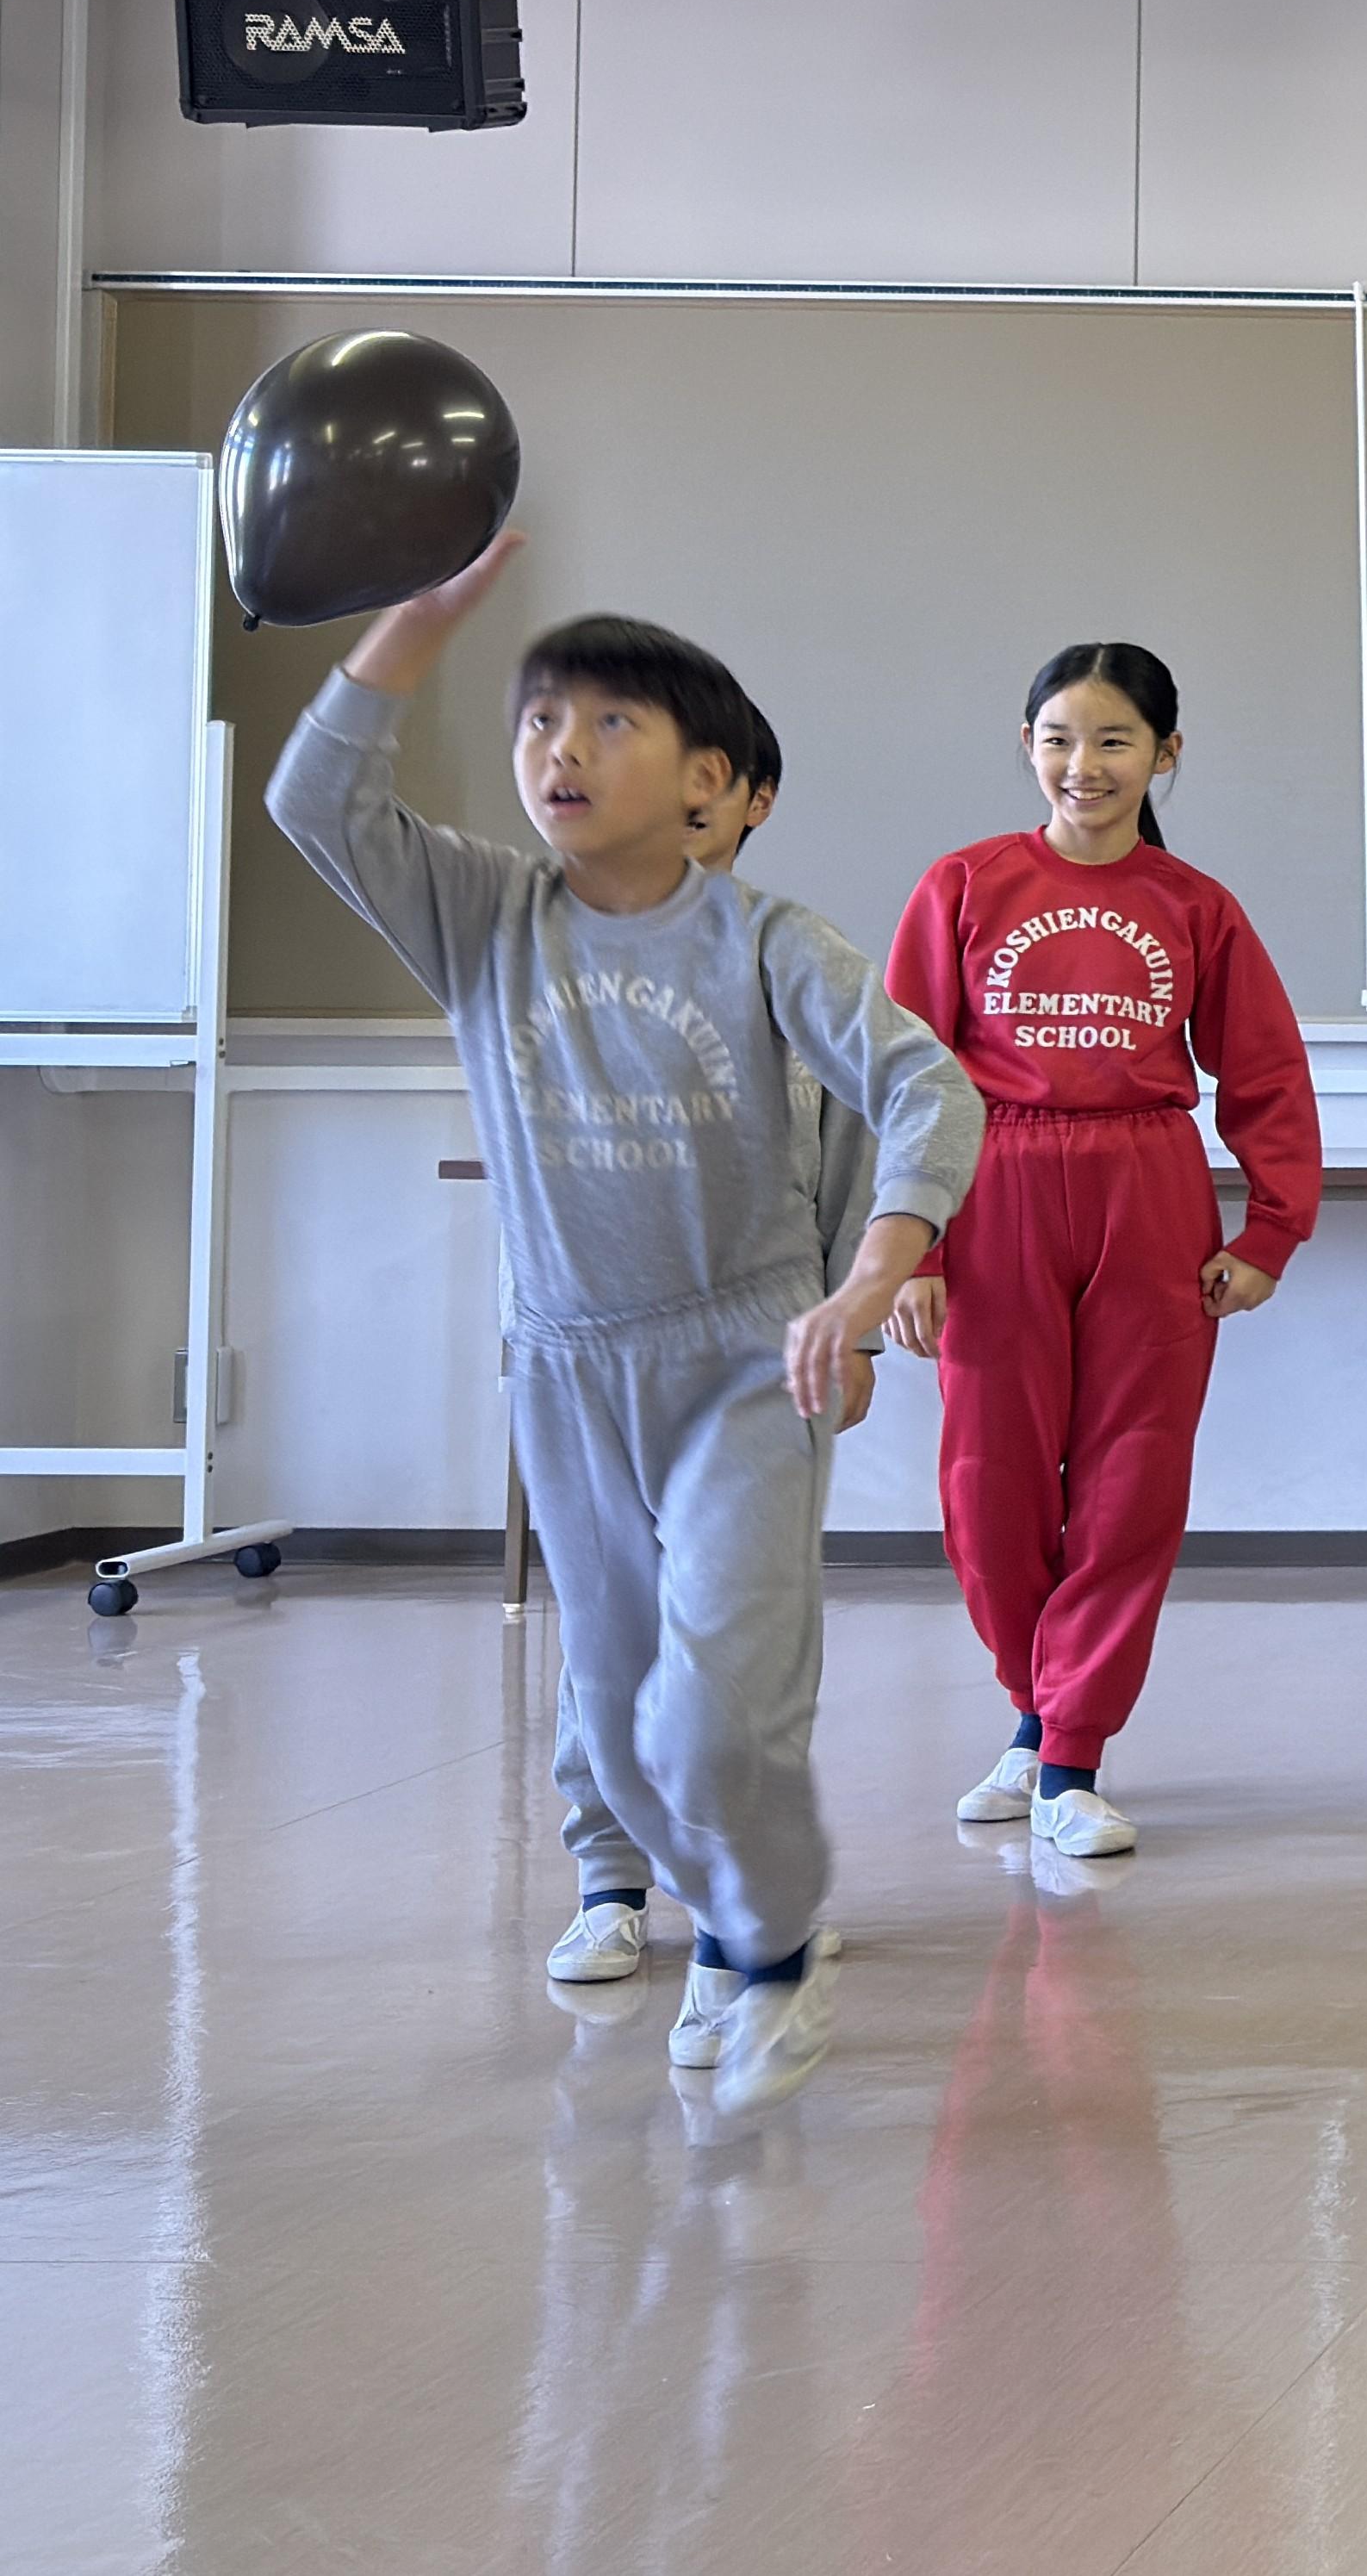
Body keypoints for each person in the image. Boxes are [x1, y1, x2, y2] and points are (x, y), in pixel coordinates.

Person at [270, 533, 975, 2119]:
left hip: (748, 1362)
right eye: (538, 720)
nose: (561, 750)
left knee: (716, 1710)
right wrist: (422, 620)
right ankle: (713, 1916)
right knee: (618, 1714)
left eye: (607, 722)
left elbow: (926, 1087)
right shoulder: (482, 917)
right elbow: (317, 803)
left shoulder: (768, 941)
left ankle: (767, 1947)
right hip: (569, 1367)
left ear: (710, 779)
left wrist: (874, 1277)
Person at [882, 644, 1320, 1863]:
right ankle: (1034, 1713)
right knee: (990, 1483)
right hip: (994, 1189)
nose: (1085, 764)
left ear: (1165, 755)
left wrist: (1271, 1228)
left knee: (1132, 1477)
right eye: (1060, 738)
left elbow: (1268, 1073)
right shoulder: (963, 885)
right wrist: (911, 1247)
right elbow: (906, 1074)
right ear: (1025, 746)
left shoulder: (1197, 907)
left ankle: (1069, 1755)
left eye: (1115, 739)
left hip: (1148, 1187)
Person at [537, 717, 887, 2013]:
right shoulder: (551, 967)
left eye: (706, 785)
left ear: (755, 800)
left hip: (760, 1362)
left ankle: (752, 1897)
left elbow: (856, 1149)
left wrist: (853, 1323)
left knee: (747, 1638)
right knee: (608, 1625)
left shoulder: (795, 962)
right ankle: (610, 1879)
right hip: (593, 1362)